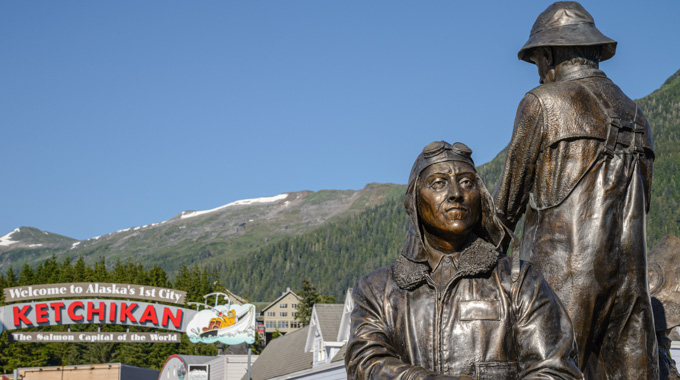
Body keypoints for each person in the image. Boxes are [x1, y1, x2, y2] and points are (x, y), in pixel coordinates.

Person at [493, 2, 657, 378]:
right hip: (631, 287)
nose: (538, 73)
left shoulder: (544, 103)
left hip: (559, 286)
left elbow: (506, 206)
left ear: (548, 55)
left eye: (537, 61)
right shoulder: (636, 114)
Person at [346, 141, 581, 379]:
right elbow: (365, 365)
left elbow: (556, 369)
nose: (456, 194)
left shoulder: (519, 280)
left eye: (467, 183)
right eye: (438, 183)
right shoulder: (376, 291)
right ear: (415, 201)